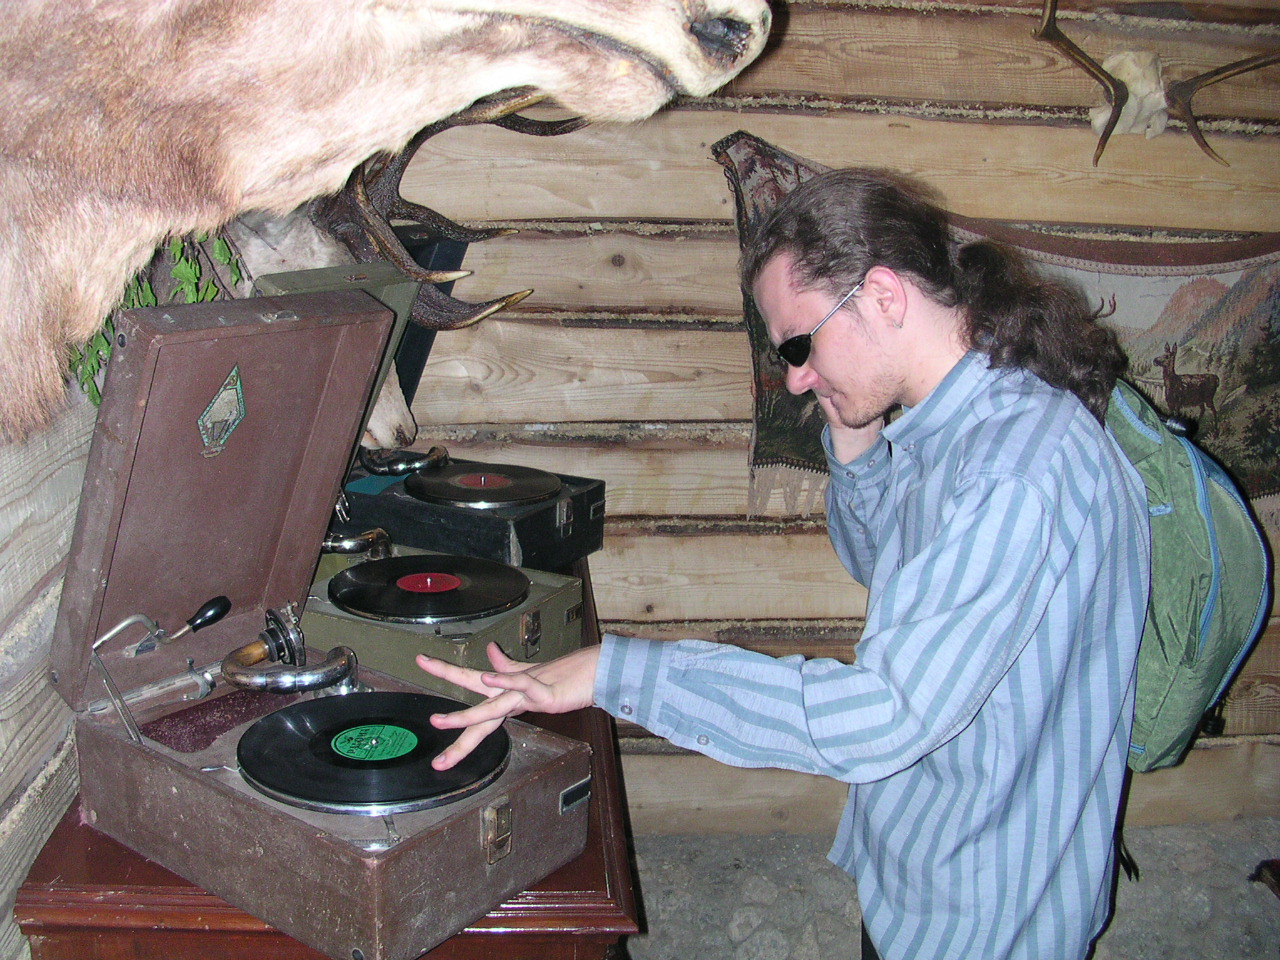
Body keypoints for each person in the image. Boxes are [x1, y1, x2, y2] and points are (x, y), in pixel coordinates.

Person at [417, 168, 1151, 960]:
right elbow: (887, 568)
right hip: (928, 859)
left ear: (883, 296)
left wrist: (616, 672)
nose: (797, 378)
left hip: (987, 909)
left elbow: (885, 716)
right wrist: (856, 443)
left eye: (801, 345)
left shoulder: (1016, 468)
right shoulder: (958, 420)